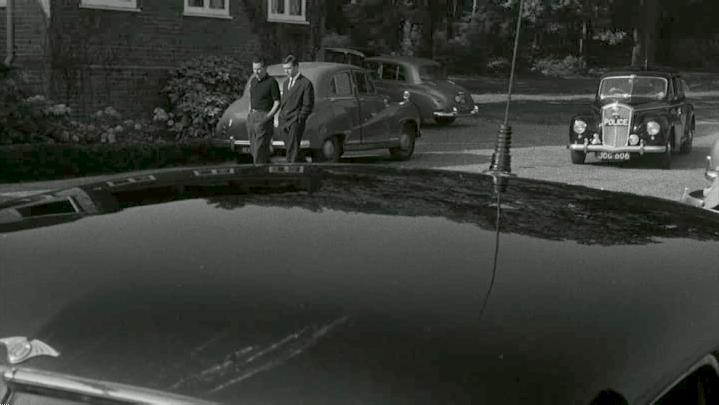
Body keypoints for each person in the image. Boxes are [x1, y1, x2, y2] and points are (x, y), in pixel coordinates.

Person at [278, 55, 314, 163]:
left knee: (292, 150)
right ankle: (303, 165)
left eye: (289, 68)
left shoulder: (305, 83)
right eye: (285, 69)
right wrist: (280, 117)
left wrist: (299, 118)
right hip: (284, 120)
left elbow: (308, 105)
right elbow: (284, 102)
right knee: (291, 148)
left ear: (296, 67)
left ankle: (291, 173)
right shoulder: (285, 83)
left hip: (295, 120)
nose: (286, 72)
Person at [247, 57, 280, 164]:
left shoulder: (271, 82)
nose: (256, 72)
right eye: (254, 69)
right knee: (254, 149)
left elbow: (277, 102)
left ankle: (257, 175)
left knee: (259, 149)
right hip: (252, 117)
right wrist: (249, 112)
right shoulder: (253, 81)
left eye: (259, 69)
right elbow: (251, 98)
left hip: (264, 116)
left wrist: (268, 117)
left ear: (265, 68)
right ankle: (265, 173)